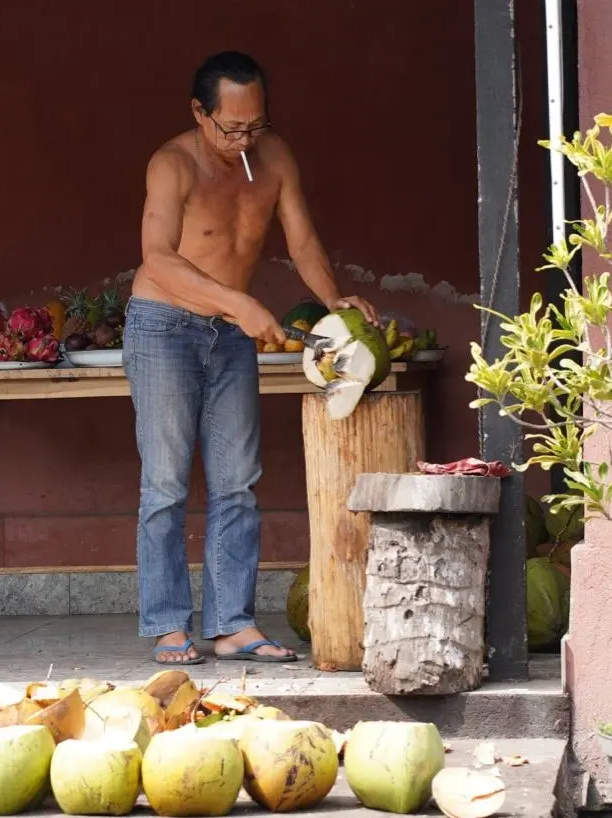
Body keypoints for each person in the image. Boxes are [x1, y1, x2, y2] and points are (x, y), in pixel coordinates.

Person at [123, 51, 378, 665]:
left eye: (254, 126)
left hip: (231, 332)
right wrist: (237, 303)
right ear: (198, 112)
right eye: (229, 127)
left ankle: (233, 623)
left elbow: (303, 240)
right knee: (165, 482)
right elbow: (156, 258)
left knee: (237, 483)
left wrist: (332, 298)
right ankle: (166, 624)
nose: (243, 139)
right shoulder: (171, 165)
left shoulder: (276, 158)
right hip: (163, 327)